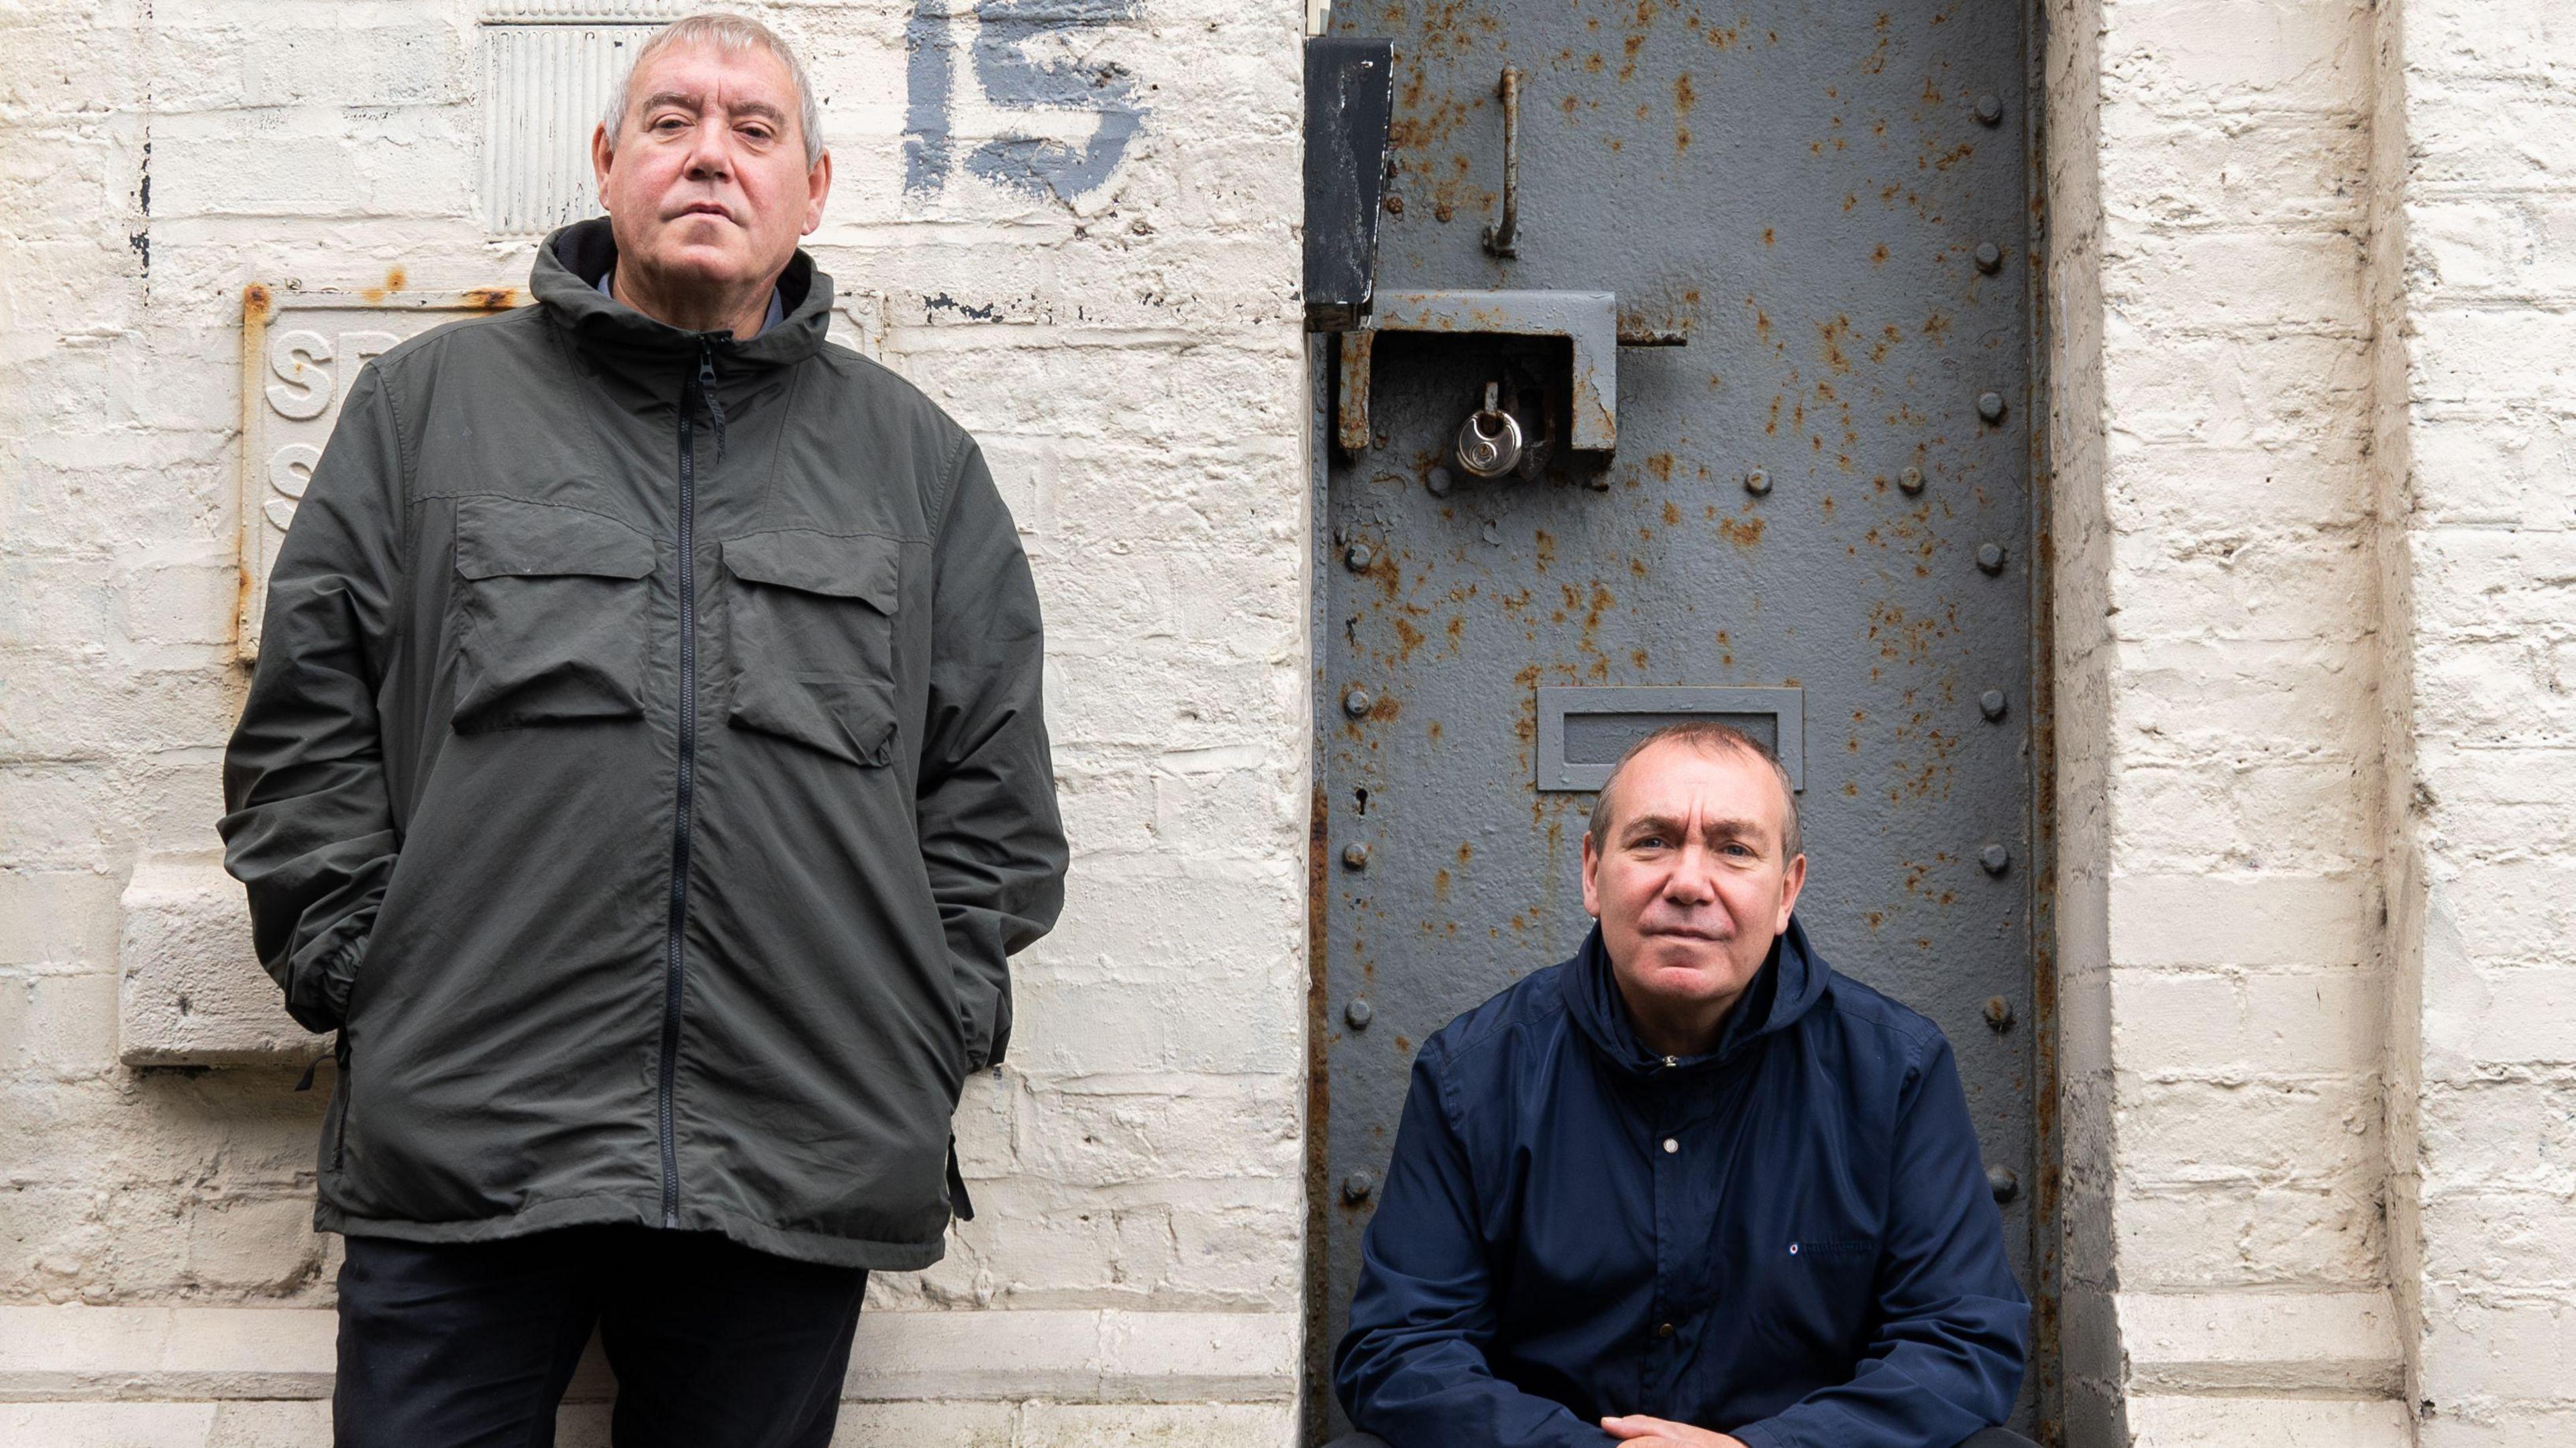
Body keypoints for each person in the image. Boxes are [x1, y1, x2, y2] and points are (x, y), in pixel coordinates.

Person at [217, 13, 1067, 1446]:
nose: (710, 159)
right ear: (609, 163)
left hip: (793, 1141)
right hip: (469, 1131)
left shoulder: (916, 466)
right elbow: (303, 727)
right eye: (672, 123)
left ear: (814, 187)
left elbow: (991, 794)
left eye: (754, 131)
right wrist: (365, 966)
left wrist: (929, 1019)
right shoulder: (429, 414)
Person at [1332, 722, 2031, 1448]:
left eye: (1733, 849)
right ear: (1592, 872)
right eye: (1653, 841)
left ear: (1787, 889)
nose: (1690, 883)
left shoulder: (1893, 1071)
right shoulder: (1475, 1072)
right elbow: (1401, 1350)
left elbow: (1961, 1339)